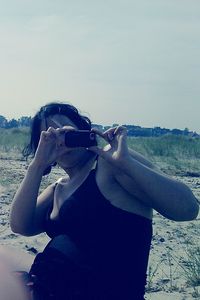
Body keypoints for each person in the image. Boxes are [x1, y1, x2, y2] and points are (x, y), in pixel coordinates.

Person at [9, 102, 199, 299]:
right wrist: (37, 165)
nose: (60, 142)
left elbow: (188, 208)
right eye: (50, 136)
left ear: (83, 129)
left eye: (66, 132)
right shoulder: (58, 188)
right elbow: (20, 225)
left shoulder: (110, 165)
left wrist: (128, 164)